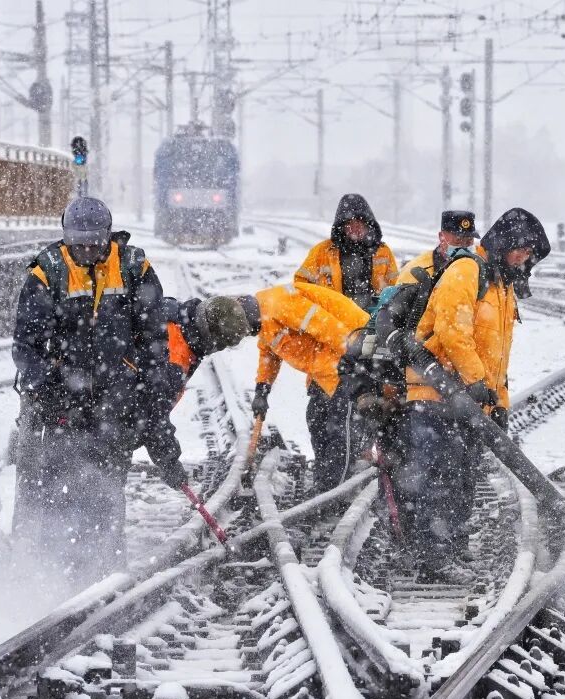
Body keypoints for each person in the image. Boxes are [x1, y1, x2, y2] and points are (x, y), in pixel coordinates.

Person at [11, 196, 168, 586]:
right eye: (77, 244)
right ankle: (51, 569)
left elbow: (153, 337)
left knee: (108, 483)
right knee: (51, 485)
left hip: (116, 400)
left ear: (107, 238)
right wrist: (47, 385)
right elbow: (26, 346)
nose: (85, 252)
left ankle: (106, 566)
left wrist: (150, 390)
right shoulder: (47, 273)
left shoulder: (134, 268)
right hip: (60, 403)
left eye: (93, 244)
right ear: (66, 238)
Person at [398, 207, 550, 582]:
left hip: (467, 399)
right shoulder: (468, 271)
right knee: (441, 477)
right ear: (502, 243)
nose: (523, 258)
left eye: (529, 253)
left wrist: (497, 401)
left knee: (464, 476)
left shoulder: (501, 284)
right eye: (520, 249)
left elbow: (496, 353)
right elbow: (452, 331)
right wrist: (475, 381)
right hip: (436, 393)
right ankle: (433, 559)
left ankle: (449, 547)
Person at [249, 282, 371, 493]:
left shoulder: (280, 305)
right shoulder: (264, 316)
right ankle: (325, 480)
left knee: (341, 429)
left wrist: (354, 361)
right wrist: (262, 389)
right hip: (323, 368)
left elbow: (326, 327)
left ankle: (335, 490)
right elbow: (268, 352)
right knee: (317, 420)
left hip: (349, 358)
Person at [138, 295, 258, 491]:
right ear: (211, 336)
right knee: (102, 500)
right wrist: (170, 464)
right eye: (221, 344)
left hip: (95, 409)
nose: (218, 350)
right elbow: (152, 415)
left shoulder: (177, 319)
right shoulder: (174, 356)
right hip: (100, 423)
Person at [295, 193, 398, 311]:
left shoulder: (384, 252)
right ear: (341, 226)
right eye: (350, 223)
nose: (355, 228)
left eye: (360, 222)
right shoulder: (321, 252)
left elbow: (396, 288)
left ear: (368, 224)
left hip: (374, 321)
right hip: (334, 319)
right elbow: (300, 285)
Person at [396, 210, 479, 284]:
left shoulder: (480, 268)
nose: (464, 247)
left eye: (468, 241)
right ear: (441, 237)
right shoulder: (416, 270)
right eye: (458, 241)